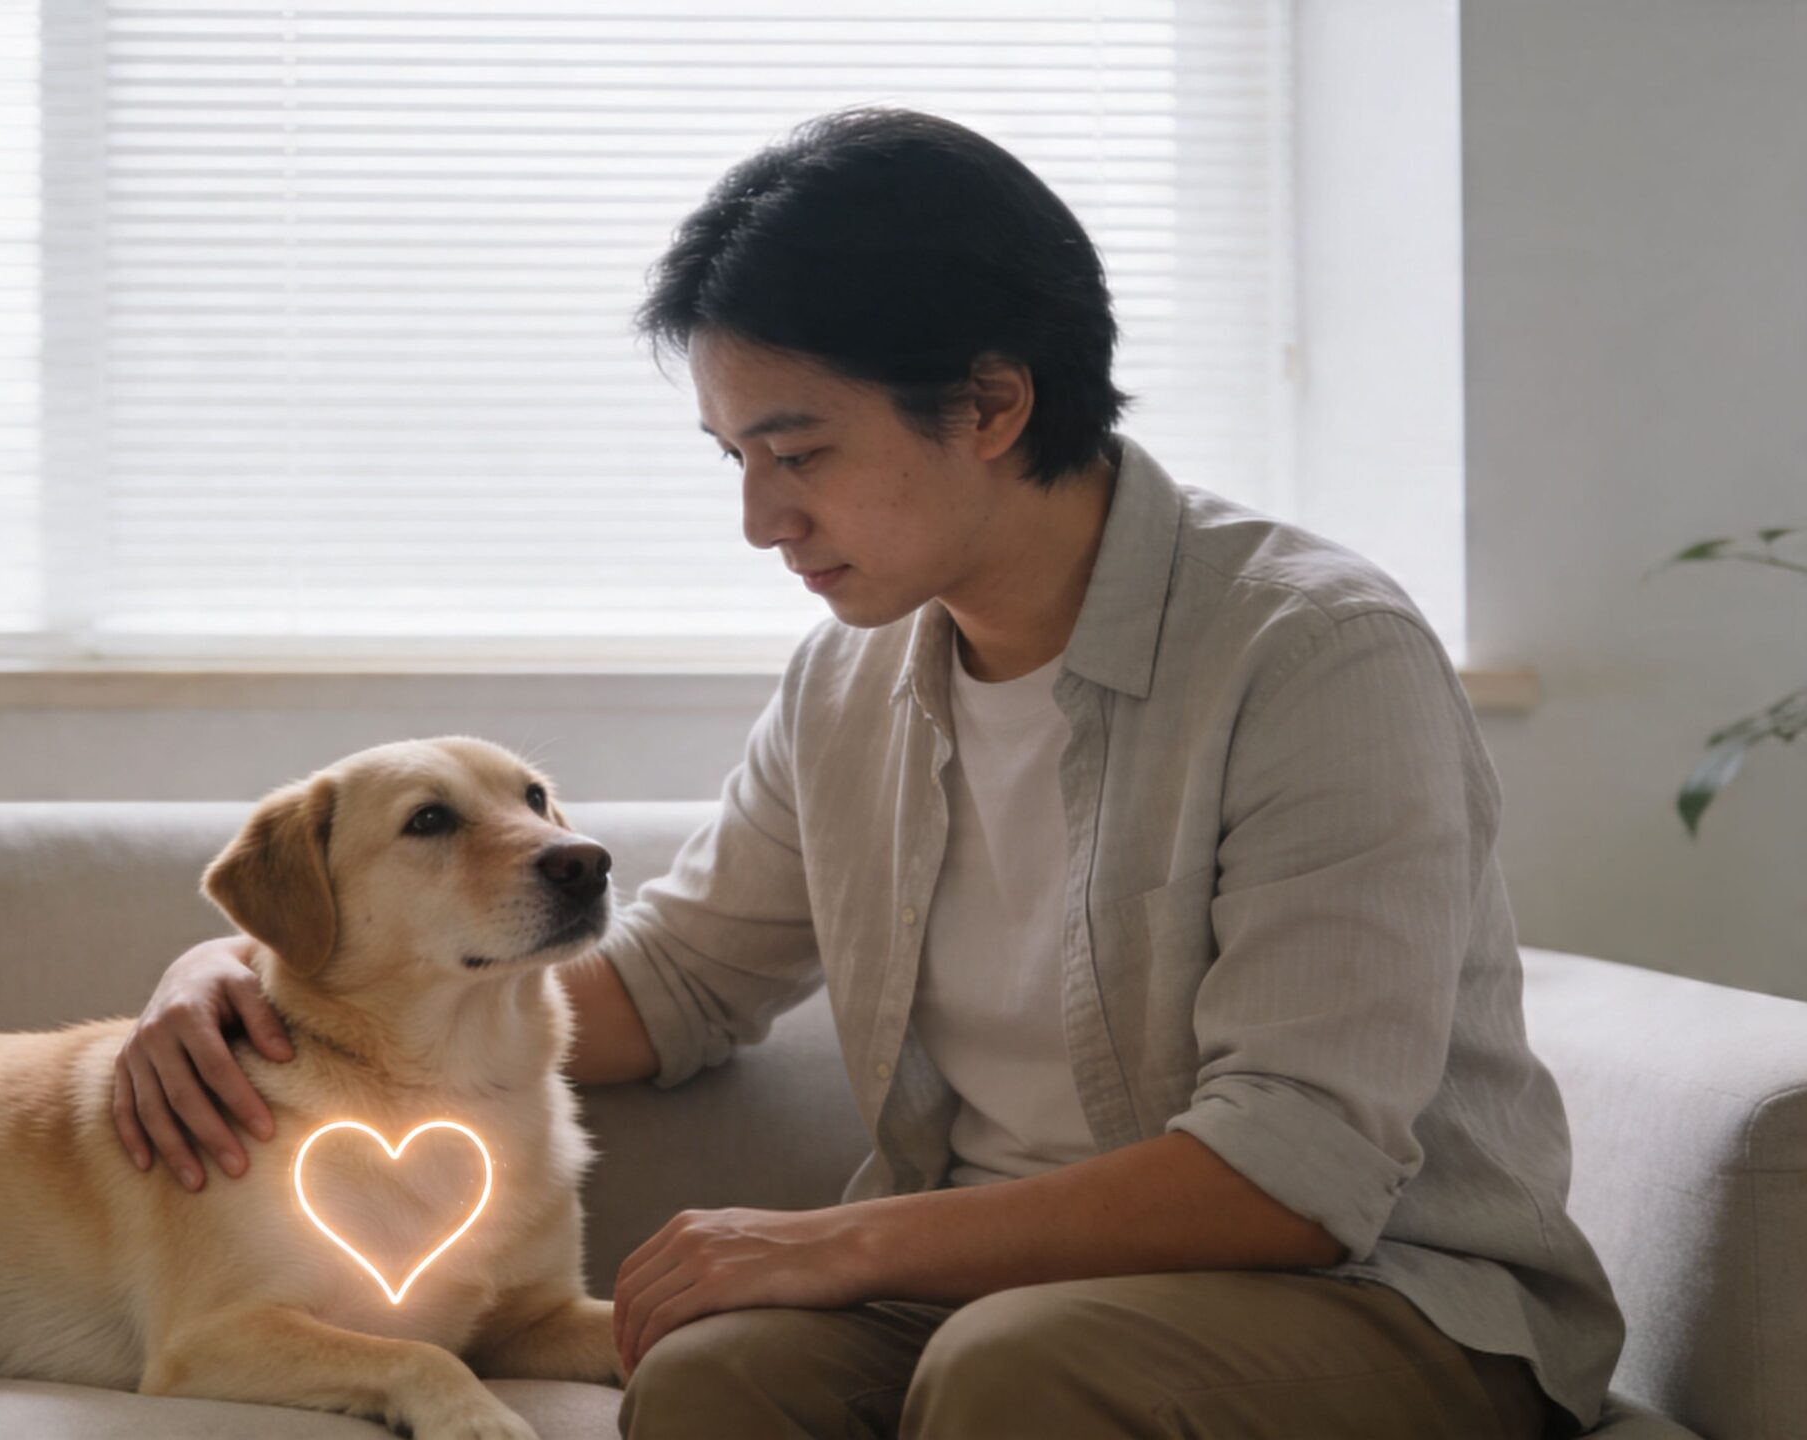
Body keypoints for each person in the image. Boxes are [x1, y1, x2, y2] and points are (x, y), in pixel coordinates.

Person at [111, 107, 1625, 1439]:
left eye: (800, 451)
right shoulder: (853, 680)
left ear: (991, 403)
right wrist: (250, 984)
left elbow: (1295, 1172)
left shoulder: (1314, 655)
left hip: (1392, 1301)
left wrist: (839, 1245)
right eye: (736, 462)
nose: (764, 520)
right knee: (714, 1374)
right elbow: (677, 989)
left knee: (1022, 1371)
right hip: (989, 1288)